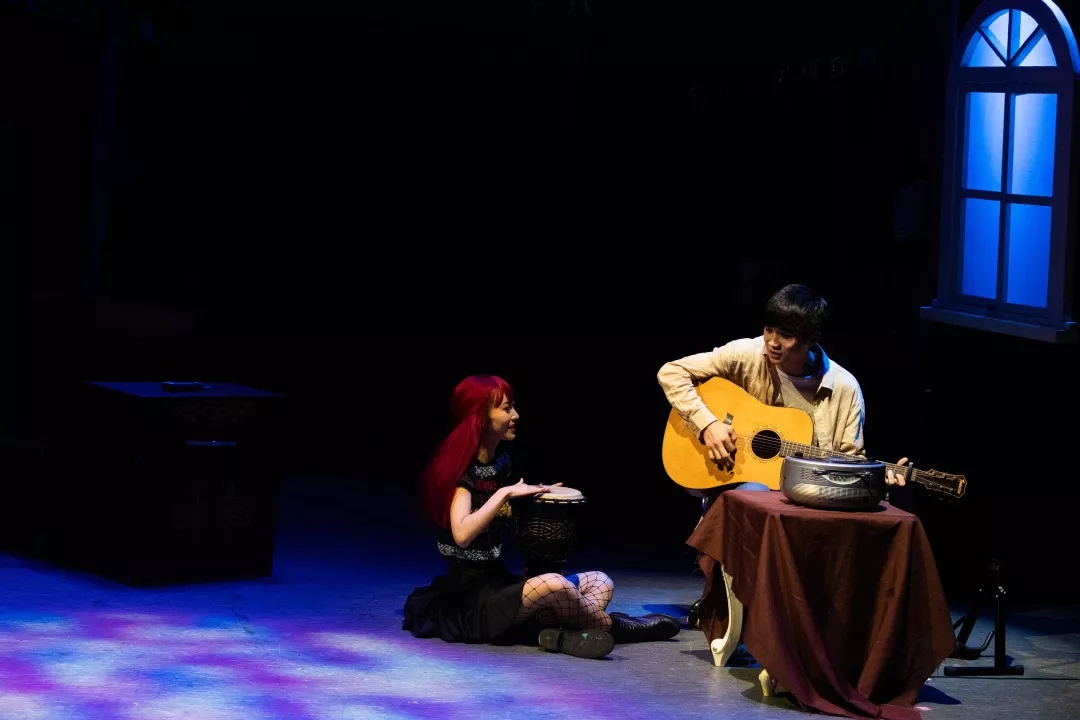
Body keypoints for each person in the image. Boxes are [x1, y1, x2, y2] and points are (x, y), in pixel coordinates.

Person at [403, 374, 680, 659]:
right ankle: (621, 628)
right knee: (555, 584)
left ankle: (558, 636)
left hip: (497, 583)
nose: (515, 415)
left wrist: (537, 495)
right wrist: (505, 493)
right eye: (507, 408)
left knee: (600, 581)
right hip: (469, 601)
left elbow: (498, 510)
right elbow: (461, 534)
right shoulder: (463, 473)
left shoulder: (500, 462)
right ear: (480, 417)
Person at [657, 283, 909, 517]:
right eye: (768, 330)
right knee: (755, 492)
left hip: (808, 496)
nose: (772, 342)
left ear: (811, 339)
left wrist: (874, 479)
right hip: (747, 487)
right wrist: (708, 425)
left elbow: (848, 460)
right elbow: (672, 372)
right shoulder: (745, 354)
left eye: (785, 335)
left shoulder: (845, 388)